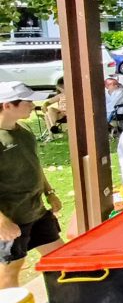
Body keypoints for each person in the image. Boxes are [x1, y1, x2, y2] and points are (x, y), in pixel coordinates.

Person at [0, 82, 62, 290]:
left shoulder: (24, 131)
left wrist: (49, 192)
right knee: (10, 271)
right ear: (8, 105)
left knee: (59, 257)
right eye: (27, 101)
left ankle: (68, 302)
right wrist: (2, 221)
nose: (32, 105)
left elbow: (34, 165)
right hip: (11, 218)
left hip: (36, 212)